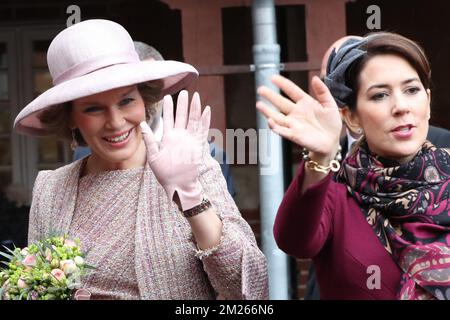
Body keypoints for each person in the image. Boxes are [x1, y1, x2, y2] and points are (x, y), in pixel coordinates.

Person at [14, 19, 268, 300]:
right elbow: (36, 290)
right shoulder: (51, 189)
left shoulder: (193, 166)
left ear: (145, 100)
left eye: (126, 101)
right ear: (70, 117)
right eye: (94, 109)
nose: (115, 122)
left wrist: (191, 200)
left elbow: (250, 291)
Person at [257, 32, 450, 299]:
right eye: (380, 95)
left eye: (412, 90)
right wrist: (321, 157)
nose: (401, 107)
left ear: (427, 102)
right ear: (352, 118)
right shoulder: (337, 194)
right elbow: (294, 240)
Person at [73, 41, 236, 198]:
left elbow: (226, 222)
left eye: (149, 88)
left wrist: (191, 200)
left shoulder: (207, 154)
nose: (146, 100)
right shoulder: (84, 155)